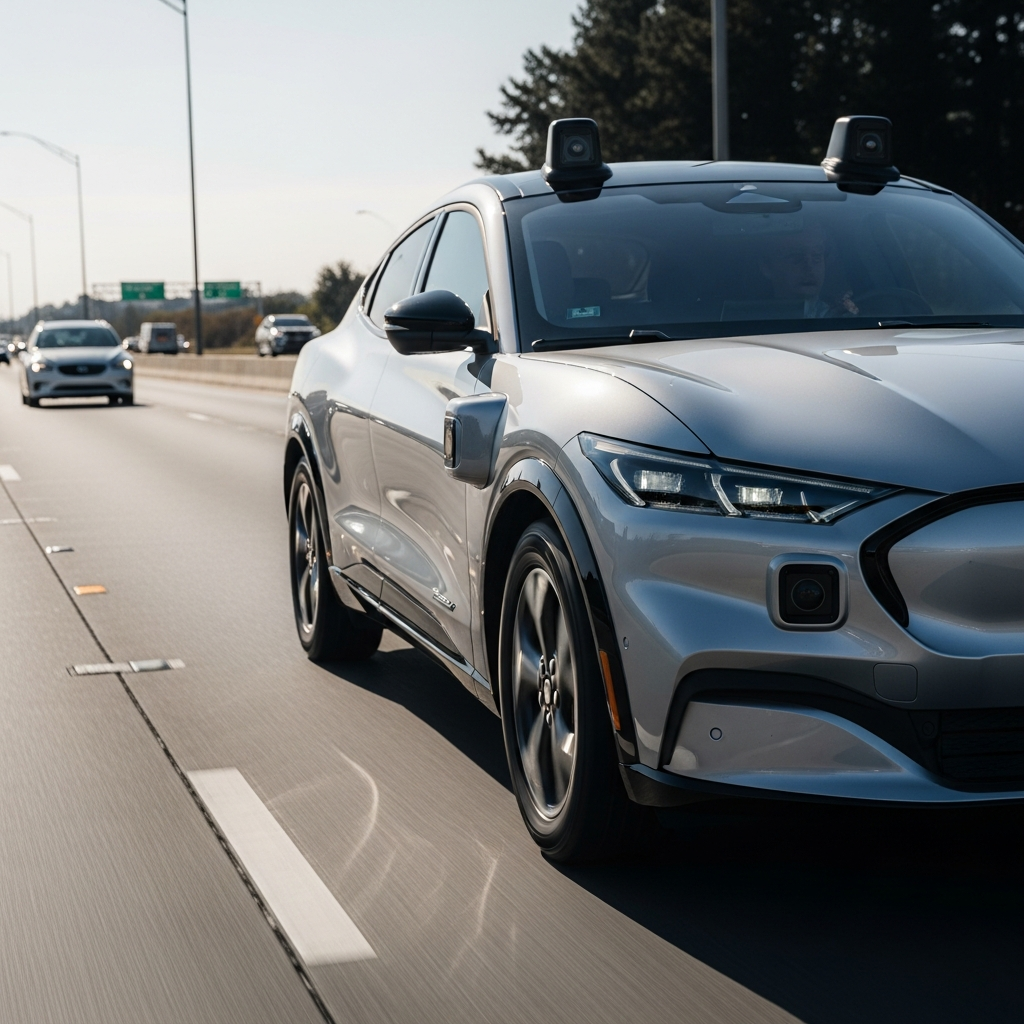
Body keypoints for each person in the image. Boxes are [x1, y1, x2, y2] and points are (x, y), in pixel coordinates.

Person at [757, 223, 859, 317]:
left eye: (817, 256)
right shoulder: (753, 318)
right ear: (766, 267)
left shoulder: (846, 316)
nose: (809, 266)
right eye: (796, 256)